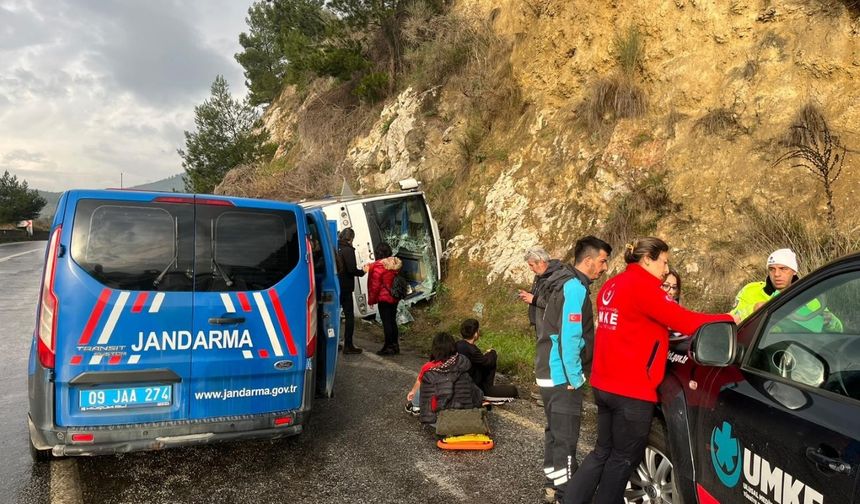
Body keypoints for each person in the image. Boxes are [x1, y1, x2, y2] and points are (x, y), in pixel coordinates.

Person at [564, 237, 736, 504]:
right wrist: (731, 318)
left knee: (602, 451)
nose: (666, 269)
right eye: (664, 262)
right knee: (622, 459)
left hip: (604, 384)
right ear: (647, 259)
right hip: (631, 390)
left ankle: (571, 500)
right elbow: (686, 321)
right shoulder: (644, 287)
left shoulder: (611, 285)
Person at [536, 236, 612, 504]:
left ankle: (552, 485)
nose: (604, 268)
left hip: (546, 368)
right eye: (602, 262)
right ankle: (567, 495)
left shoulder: (559, 280)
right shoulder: (575, 288)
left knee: (555, 433)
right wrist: (575, 376)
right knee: (567, 439)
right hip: (561, 375)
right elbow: (569, 335)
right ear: (588, 260)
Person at [731, 248, 842, 332]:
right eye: (772, 269)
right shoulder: (751, 290)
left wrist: (830, 322)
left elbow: (839, 329)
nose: (777, 274)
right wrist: (753, 310)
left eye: (783, 269)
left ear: (794, 271)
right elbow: (732, 319)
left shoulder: (807, 296)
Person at [405, 332, 483, 424]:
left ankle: (416, 406)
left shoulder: (429, 367)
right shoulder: (462, 363)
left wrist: (413, 392)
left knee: (424, 387)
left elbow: (419, 381)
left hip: (442, 420)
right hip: (465, 416)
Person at [455, 319, 519, 402]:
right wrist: (492, 352)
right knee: (513, 390)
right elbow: (487, 362)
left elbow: (480, 360)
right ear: (475, 334)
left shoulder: (457, 345)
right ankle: (487, 391)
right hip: (476, 386)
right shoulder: (472, 350)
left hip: (460, 384)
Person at [366, 242, 402, 355]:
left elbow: (375, 286)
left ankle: (388, 346)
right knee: (392, 321)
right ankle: (395, 345)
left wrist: (371, 300)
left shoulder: (378, 266)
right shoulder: (395, 263)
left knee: (386, 322)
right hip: (394, 296)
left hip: (384, 298)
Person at [518, 247, 564, 331]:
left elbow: (554, 303)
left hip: (551, 328)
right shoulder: (540, 275)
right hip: (541, 324)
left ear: (541, 262)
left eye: (531, 265)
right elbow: (542, 294)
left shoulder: (556, 276)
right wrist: (528, 294)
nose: (531, 269)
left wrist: (533, 299)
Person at [337, 228, 365, 354]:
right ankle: (348, 345)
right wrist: (363, 271)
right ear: (351, 238)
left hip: (336, 285)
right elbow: (352, 269)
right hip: (346, 287)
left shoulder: (335, 246)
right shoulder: (348, 250)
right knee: (349, 316)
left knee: (333, 315)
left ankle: (335, 342)